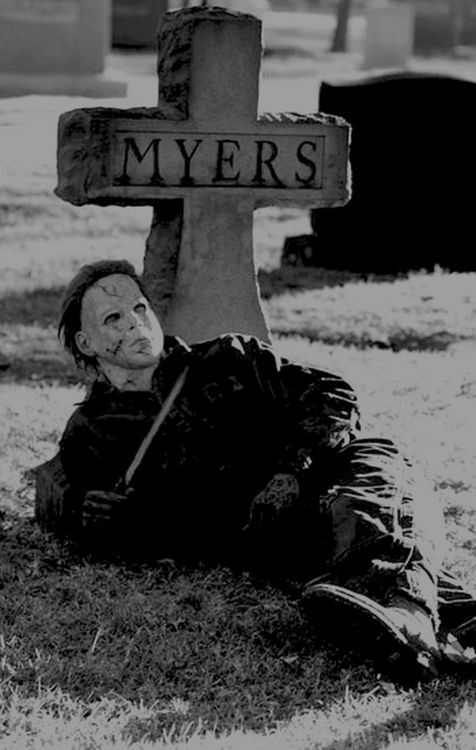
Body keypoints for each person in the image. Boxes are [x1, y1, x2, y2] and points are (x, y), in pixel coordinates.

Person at [55, 259, 476, 683]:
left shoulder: (230, 356)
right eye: (113, 318)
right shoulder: (92, 432)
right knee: (364, 532)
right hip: (271, 536)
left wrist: (292, 469)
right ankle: (441, 628)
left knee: (372, 475)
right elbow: (77, 507)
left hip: (333, 477)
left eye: (140, 309)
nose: (135, 325)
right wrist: (95, 518)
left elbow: (333, 395)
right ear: (85, 342)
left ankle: (408, 617)